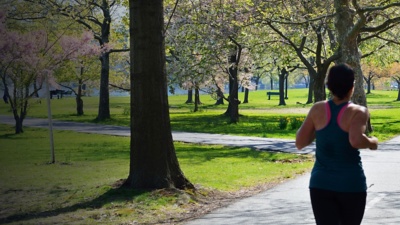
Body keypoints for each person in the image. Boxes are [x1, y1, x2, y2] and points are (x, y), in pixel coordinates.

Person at [295, 63, 378, 225]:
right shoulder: (358, 111)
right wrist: (372, 142)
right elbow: (355, 140)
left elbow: (300, 142)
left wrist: (319, 130)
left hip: (321, 185)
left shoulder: (317, 109)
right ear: (352, 86)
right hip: (350, 185)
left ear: (329, 86)